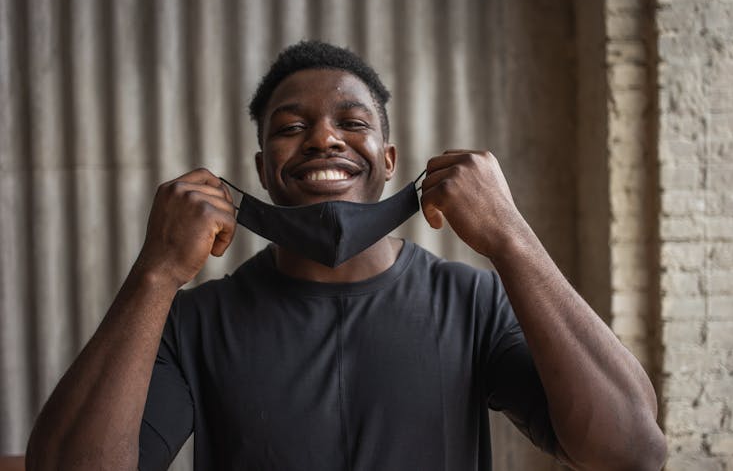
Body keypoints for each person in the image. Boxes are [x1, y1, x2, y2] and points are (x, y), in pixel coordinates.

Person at [26, 41, 667, 470]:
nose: (324, 136)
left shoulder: (473, 303)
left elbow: (631, 450)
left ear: (389, 163)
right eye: (290, 126)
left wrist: (510, 236)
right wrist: (156, 270)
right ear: (263, 168)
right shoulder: (193, 322)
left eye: (353, 123)